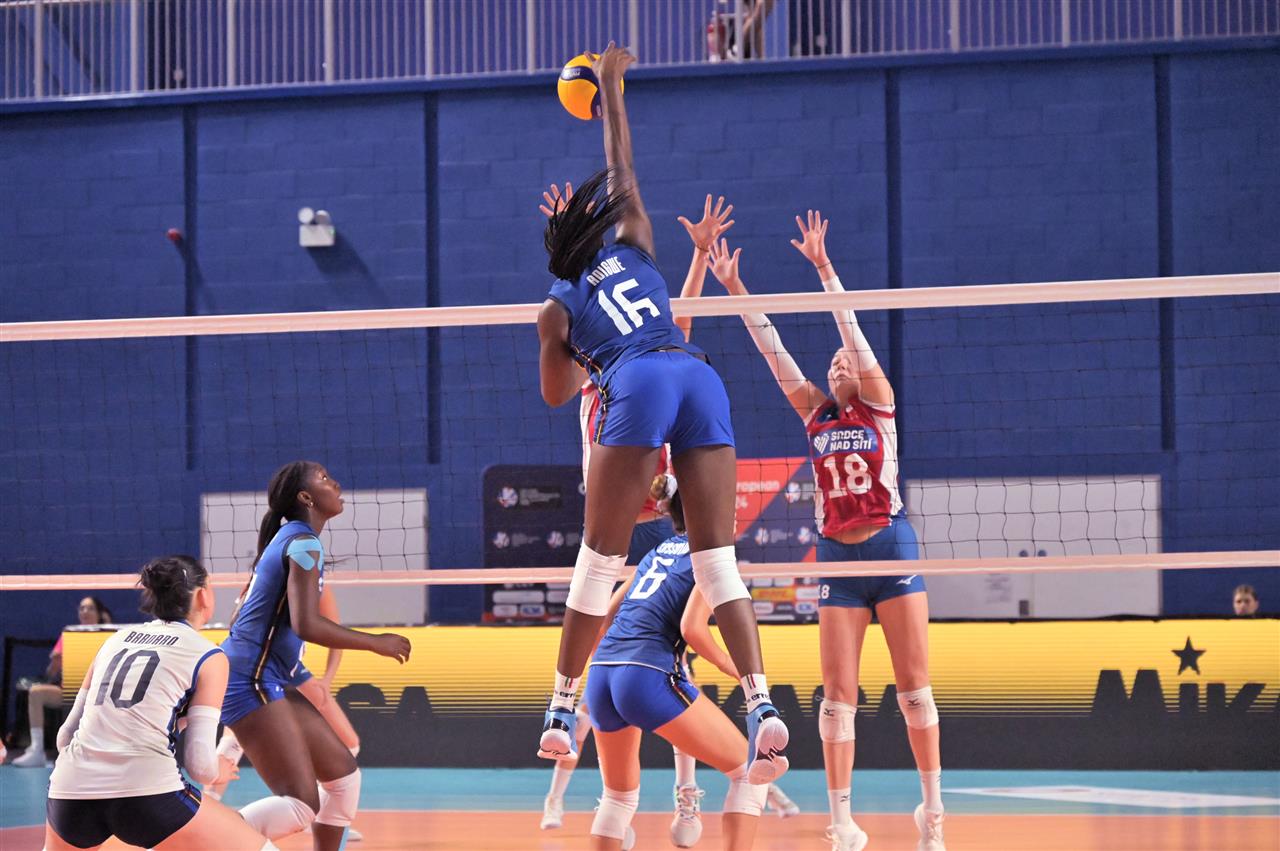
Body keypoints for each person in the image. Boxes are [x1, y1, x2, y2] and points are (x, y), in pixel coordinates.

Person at [536, 42, 787, 784]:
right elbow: (623, 171)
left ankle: (560, 709)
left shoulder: (555, 304)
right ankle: (762, 702)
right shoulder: (637, 243)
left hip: (636, 380)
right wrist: (613, 89)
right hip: (695, 373)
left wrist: (575, 346)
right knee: (717, 563)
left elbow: (556, 393)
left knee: (598, 561)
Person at [705, 212, 944, 851]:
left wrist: (823, 267)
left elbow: (852, 331)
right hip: (838, 557)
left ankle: (932, 813)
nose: (838, 364)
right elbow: (773, 351)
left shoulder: (879, 404)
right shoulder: (815, 413)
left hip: (890, 547)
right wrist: (736, 289)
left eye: (845, 363)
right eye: (832, 364)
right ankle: (841, 821)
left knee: (914, 691)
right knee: (838, 698)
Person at [540, 188, 752, 843]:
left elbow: (666, 324)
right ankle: (559, 787)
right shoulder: (597, 382)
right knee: (613, 644)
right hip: (615, 526)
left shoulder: (628, 366)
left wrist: (696, 258)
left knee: (673, 655)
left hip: (654, 518)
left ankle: (686, 797)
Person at [219, 461, 411, 851]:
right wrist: (377, 642)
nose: (336, 483)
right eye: (324, 479)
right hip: (250, 678)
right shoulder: (303, 542)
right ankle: (206, 838)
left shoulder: (292, 539)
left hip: (266, 675)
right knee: (300, 805)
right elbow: (307, 624)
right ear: (306, 497)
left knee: (343, 780)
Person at [586, 474, 780, 850]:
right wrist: (739, 671)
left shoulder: (656, 553)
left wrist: (611, 665)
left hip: (602, 675)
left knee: (618, 797)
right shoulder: (711, 557)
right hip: (646, 674)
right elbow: (693, 629)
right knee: (750, 772)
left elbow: (605, 616)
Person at [43, 555, 274, 850]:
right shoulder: (209, 655)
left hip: (70, 791)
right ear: (202, 595)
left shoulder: (114, 641)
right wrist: (219, 767)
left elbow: (65, 737)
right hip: (147, 793)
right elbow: (201, 767)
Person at [206, 586, 364, 841]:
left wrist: (327, 679)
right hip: (260, 669)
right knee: (232, 741)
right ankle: (207, 819)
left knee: (349, 745)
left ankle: (325, 814)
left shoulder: (314, 582)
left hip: (279, 669)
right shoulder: (265, 581)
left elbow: (333, 632)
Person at [12, 596, 112, 768]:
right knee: (36, 693)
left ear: (99, 613)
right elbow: (50, 673)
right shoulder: (69, 635)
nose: (85, 611)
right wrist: (55, 663)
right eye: (81, 608)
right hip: (70, 691)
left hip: (99, 693)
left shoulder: (109, 636)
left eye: (90, 608)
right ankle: (37, 751)